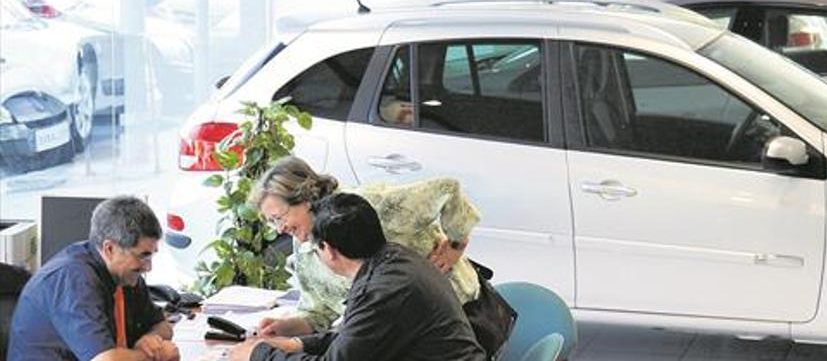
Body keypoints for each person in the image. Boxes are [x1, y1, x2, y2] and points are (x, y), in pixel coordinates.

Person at [244, 156, 512, 356]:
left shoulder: (363, 209)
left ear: (305, 198)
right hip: (402, 330)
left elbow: (447, 189)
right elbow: (342, 323)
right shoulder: (314, 247)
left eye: (279, 218)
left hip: (454, 323)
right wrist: (291, 334)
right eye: (271, 223)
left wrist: (455, 245)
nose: (279, 229)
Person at [228, 192, 486, 361]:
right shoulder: (396, 259)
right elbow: (359, 337)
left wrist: (258, 354)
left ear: (327, 250)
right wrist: (297, 344)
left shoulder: (382, 291)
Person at [8, 196, 179, 361]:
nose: (148, 267)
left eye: (151, 256)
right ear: (110, 249)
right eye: (143, 256)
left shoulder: (126, 275)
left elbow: (162, 326)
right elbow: (105, 360)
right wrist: (151, 355)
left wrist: (150, 340)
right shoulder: (74, 279)